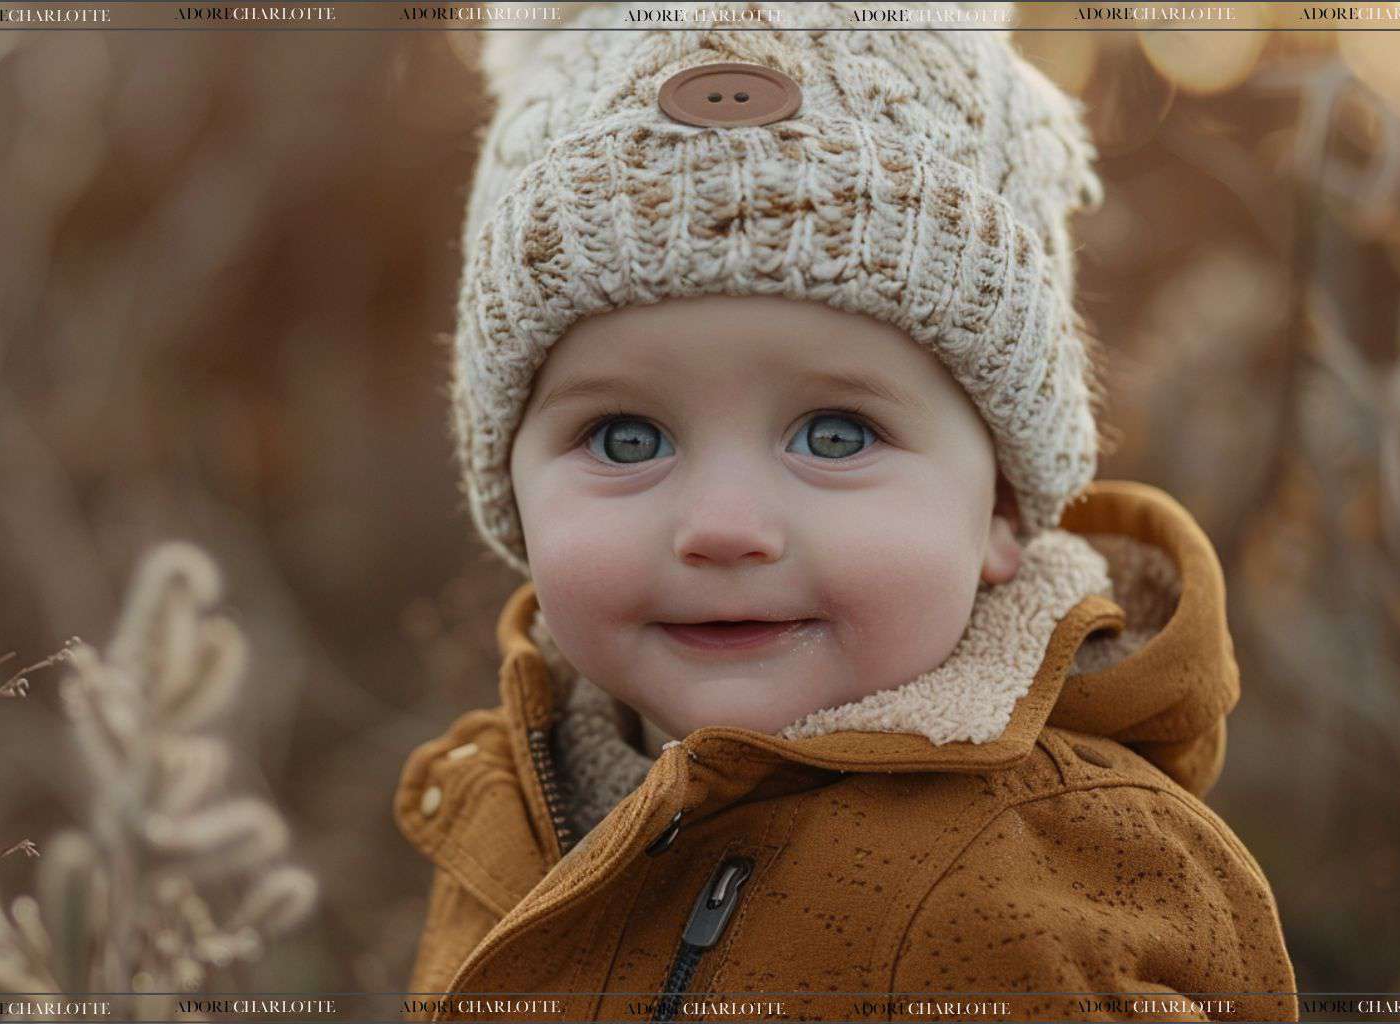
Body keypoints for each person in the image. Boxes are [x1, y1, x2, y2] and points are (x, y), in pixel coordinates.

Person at [393, 4, 1299, 1020]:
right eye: (625, 439)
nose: (725, 525)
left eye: (835, 435)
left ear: (1001, 503)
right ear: (510, 494)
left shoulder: (1043, 892)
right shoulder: (515, 801)